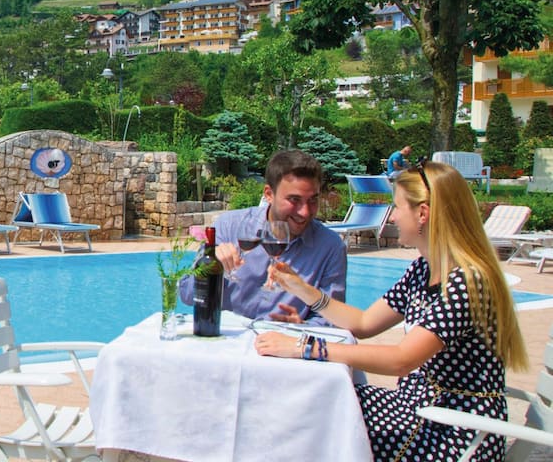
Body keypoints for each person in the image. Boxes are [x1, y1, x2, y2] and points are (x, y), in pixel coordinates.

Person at [255, 161, 528, 461]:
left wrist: (304, 347)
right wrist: (302, 289)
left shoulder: (466, 282)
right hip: (418, 409)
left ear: (422, 214)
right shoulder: (424, 269)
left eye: (397, 207)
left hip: (453, 431)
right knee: (312, 400)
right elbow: (364, 323)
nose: (393, 216)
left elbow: (401, 360)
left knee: (316, 421)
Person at [191, 149, 347, 325]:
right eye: (294, 200)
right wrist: (209, 269)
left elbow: (331, 319)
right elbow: (187, 294)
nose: (304, 212)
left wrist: (303, 327)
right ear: (268, 194)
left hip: (284, 340)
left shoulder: (330, 247)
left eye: (313, 200)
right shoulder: (229, 226)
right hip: (229, 337)